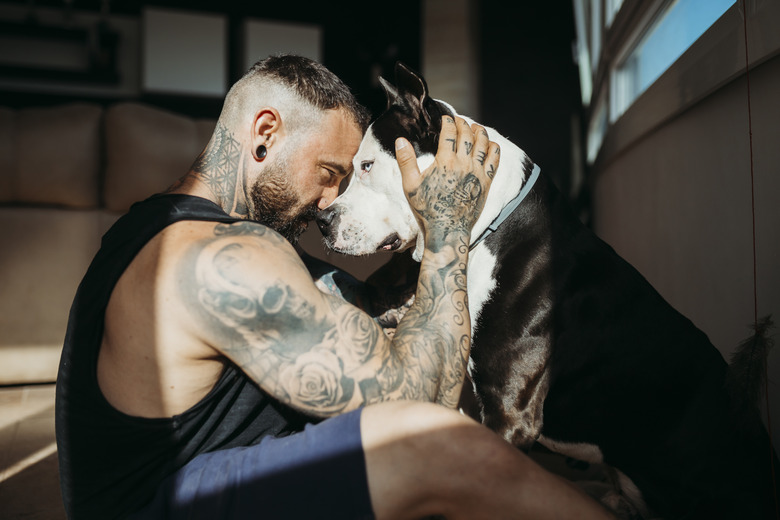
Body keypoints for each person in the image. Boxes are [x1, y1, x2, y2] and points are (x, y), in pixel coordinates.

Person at [56, 54, 615, 519]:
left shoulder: (166, 225)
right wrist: (447, 232)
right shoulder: (216, 259)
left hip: (199, 478)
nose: (329, 202)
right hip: (167, 505)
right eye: (329, 173)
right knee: (441, 445)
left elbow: (374, 316)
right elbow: (425, 403)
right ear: (266, 133)